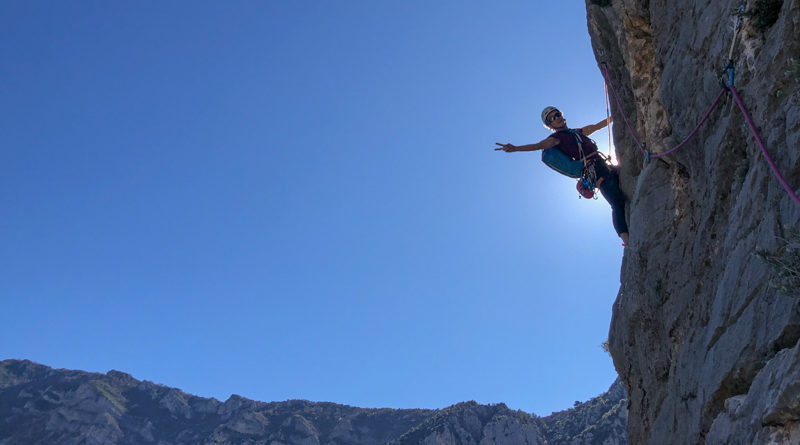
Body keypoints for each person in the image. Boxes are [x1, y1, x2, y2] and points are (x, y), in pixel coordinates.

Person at [495, 106, 629, 246]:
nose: (557, 118)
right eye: (552, 118)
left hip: (604, 165)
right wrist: (516, 148)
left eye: (557, 114)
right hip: (595, 171)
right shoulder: (556, 139)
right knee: (616, 202)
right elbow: (538, 145)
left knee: (621, 189)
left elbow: (597, 126)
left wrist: (616, 116)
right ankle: (626, 241)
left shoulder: (577, 132)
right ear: (550, 125)